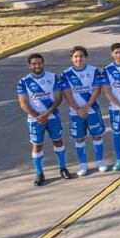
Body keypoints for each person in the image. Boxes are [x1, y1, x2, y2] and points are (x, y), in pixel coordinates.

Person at [17, 52, 73, 185]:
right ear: (29, 66)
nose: (37, 66)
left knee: (58, 142)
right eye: (34, 64)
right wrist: (38, 116)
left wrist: (47, 114)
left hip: (52, 116)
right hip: (35, 120)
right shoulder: (24, 82)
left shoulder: (53, 77)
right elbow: (23, 103)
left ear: (43, 63)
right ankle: (39, 173)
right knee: (37, 146)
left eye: (39, 63)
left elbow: (59, 97)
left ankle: (63, 168)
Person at [61, 45, 108, 175]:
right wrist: (77, 109)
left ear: (85, 57)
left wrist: (86, 107)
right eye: (76, 56)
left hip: (92, 110)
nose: (79, 59)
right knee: (79, 139)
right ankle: (83, 165)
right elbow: (67, 94)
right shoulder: (66, 74)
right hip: (75, 113)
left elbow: (96, 91)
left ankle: (100, 161)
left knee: (97, 135)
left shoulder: (94, 71)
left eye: (81, 56)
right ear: (71, 58)